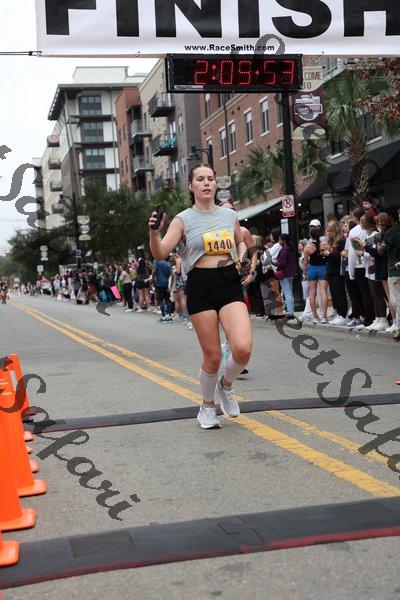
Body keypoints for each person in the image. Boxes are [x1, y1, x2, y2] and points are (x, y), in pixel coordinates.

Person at [149, 164, 251, 429]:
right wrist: (154, 232)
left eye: (210, 179)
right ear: (191, 186)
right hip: (200, 285)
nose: (206, 183)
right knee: (213, 356)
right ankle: (206, 406)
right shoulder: (182, 219)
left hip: (229, 282)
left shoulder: (229, 215)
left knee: (242, 349)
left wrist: (243, 256)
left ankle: (226, 384)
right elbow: (160, 253)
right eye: (200, 179)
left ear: (216, 185)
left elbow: (240, 240)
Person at [346, 208, 375, 329]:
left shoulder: (354, 231)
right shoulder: (372, 230)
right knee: (372, 293)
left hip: (359, 264)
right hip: (371, 263)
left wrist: (351, 272)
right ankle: (376, 317)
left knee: (364, 294)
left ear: (354, 216)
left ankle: (368, 318)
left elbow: (353, 253)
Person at [302, 220, 329, 324]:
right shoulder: (324, 244)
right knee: (323, 292)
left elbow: (305, 262)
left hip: (312, 269)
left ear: (310, 234)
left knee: (312, 293)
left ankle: (314, 316)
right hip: (322, 268)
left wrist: (304, 273)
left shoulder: (307, 247)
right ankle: (324, 316)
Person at [323, 221, 348, 325]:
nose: (328, 232)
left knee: (339, 293)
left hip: (338, 270)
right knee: (333, 293)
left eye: (330, 230)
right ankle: (338, 313)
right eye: (327, 230)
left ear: (335, 230)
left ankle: (343, 314)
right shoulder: (331, 241)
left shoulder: (341, 241)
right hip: (331, 270)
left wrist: (329, 254)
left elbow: (340, 257)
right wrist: (325, 255)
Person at [382, 207, 400, 337]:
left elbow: (382, 251)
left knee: (396, 300)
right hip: (394, 269)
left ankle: (398, 326)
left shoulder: (389, 233)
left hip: (394, 270)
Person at [275, 233, 296, 320]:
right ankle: (291, 311)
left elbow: (282, 263)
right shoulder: (291, 249)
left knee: (287, 293)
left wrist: (274, 263)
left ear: (284, 241)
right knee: (290, 293)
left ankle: (290, 313)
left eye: (280, 239)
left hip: (284, 273)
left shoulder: (284, 250)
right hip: (291, 273)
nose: (279, 241)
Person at [152, 257, 173, 323]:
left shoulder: (156, 261)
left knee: (161, 300)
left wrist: (153, 279)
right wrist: (170, 285)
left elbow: (154, 271)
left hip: (159, 283)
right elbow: (172, 274)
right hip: (166, 283)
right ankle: (169, 316)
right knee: (167, 299)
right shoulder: (167, 264)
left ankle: (163, 317)